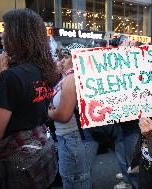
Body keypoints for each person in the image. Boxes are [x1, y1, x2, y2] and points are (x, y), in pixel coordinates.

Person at [0, 8, 58, 188]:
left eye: (6, 29)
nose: (1, 34)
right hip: (44, 152)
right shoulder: (45, 70)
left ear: (19, 35)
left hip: (17, 161)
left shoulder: (11, 77)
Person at [48, 43, 99, 189]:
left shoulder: (72, 78)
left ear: (77, 58)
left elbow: (64, 115)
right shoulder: (68, 76)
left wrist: (46, 110)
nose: (62, 60)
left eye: (66, 56)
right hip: (70, 138)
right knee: (79, 179)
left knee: (75, 181)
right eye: (61, 57)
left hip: (72, 139)